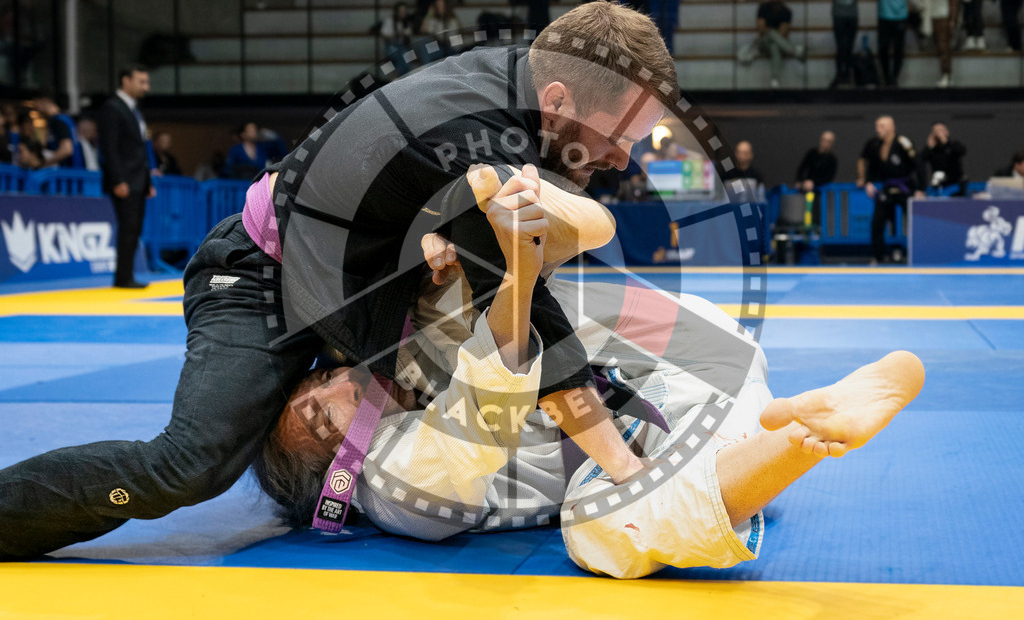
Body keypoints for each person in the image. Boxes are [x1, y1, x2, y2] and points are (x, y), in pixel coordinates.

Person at [0, 1, 678, 561]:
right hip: (263, 277)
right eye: (621, 136)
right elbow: (533, 322)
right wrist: (628, 473)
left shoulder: (518, 86)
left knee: (490, 314)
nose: (624, 159)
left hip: (352, 288)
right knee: (191, 464)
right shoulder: (476, 137)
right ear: (557, 99)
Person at [255, 164, 925, 579]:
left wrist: (482, 258)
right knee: (626, 496)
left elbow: (499, 362)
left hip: (653, 354)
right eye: (321, 415)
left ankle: (780, 441)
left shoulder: (393, 352)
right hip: (685, 357)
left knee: (603, 521)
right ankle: (786, 432)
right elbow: (481, 409)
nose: (339, 388)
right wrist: (512, 276)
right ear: (333, 477)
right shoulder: (394, 486)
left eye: (320, 381)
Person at [99, 65, 155, 289]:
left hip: (138, 180)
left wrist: (148, 182)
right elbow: (109, 149)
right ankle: (123, 277)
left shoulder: (133, 110)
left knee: (134, 228)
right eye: (141, 81)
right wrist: (117, 180)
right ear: (126, 80)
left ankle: (126, 275)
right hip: (124, 180)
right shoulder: (112, 108)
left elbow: (140, 151)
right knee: (128, 227)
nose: (146, 87)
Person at [856, 116, 925, 264]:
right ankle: (879, 257)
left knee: (915, 222)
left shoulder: (903, 142)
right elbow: (870, 165)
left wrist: (921, 189)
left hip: (905, 188)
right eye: (877, 126)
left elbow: (918, 164)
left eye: (881, 126)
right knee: (877, 223)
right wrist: (868, 181)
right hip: (887, 189)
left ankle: (920, 256)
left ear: (890, 127)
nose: (877, 129)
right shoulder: (875, 145)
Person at [868, 0, 925, 88]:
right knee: (883, 49)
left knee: (899, 50)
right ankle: (886, 77)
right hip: (884, 16)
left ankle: (894, 79)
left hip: (900, 16)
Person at [737, 0, 807, 89]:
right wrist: (770, 31)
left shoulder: (786, 11)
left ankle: (774, 79)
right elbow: (761, 29)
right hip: (763, 43)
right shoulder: (763, 7)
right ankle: (795, 51)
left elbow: (783, 33)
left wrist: (769, 30)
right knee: (771, 34)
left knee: (774, 45)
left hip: (777, 43)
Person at [826, 0, 862, 87]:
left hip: (852, 16)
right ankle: (840, 75)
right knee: (841, 47)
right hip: (839, 16)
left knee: (850, 47)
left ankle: (848, 74)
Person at [33, 93, 84, 170]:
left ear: (45, 101)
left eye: (37, 103)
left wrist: (43, 164)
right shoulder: (65, 118)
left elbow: (67, 149)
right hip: (74, 172)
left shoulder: (58, 121)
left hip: (66, 173)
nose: (37, 108)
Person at [930, 0, 959, 87]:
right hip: (935, 16)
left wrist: (952, 20)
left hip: (944, 17)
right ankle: (945, 74)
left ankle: (946, 74)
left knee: (944, 47)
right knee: (939, 46)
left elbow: (954, 4)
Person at [921, 122, 968, 195]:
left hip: (956, 185)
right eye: (935, 131)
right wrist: (929, 147)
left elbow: (962, 151)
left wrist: (946, 142)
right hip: (939, 185)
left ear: (946, 132)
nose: (938, 134)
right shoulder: (933, 149)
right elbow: (922, 159)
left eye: (940, 130)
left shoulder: (954, 145)